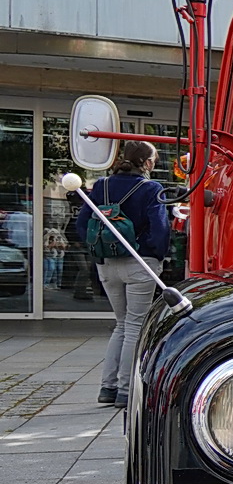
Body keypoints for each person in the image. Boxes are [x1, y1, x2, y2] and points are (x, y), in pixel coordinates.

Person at [74, 141, 170, 408]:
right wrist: (155, 254)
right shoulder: (151, 188)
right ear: (147, 163)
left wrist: (99, 250)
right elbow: (160, 229)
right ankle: (127, 391)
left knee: (121, 324)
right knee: (135, 327)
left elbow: (82, 223)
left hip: (106, 264)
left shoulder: (102, 185)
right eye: (155, 159)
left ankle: (108, 387)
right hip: (139, 262)